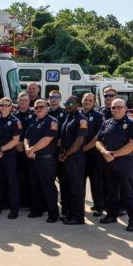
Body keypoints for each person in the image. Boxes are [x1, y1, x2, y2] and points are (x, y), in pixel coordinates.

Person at [96, 98, 133, 232]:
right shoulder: (107, 123)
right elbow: (98, 141)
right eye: (113, 108)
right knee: (111, 191)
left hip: (124, 161)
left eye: (119, 107)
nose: (115, 110)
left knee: (128, 192)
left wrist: (113, 155)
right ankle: (111, 215)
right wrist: (104, 152)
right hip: (108, 160)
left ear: (125, 108)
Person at [24, 99, 60, 223]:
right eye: (36, 107)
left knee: (48, 187)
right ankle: (37, 210)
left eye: (41, 107)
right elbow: (26, 138)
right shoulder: (33, 122)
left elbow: (47, 139)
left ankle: (53, 213)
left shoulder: (52, 121)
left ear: (47, 108)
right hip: (33, 159)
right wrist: (28, 149)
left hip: (46, 161)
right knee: (34, 186)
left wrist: (32, 150)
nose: (39, 109)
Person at [58, 96, 88, 225]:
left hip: (75, 157)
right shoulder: (68, 117)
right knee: (67, 187)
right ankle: (69, 213)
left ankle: (78, 217)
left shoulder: (81, 119)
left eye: (70, 103)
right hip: (67, 156)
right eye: (66, 103)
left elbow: (79, 141)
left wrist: (66, 154)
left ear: (78, 104)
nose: (67, 105)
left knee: (76, 188)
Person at [0, 97, 21, 218]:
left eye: (7, 105)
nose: (4, 107)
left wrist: (0, 150)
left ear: (11, 107)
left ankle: (14, 209)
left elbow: (15, 141)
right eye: (2, 105)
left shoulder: (15, 121)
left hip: (9, 156)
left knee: (11, 182)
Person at [81, 93, 106, 216]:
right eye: (86, 99)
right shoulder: (78, 114)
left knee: (96, 182)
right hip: (79, 154)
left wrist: (85, 148)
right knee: (80, 181)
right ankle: (79, 205)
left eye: (90, 100)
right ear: (82, 100)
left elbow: (98, 136)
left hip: (94, 154)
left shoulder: (98, 116)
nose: (87, 102)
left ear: (94, 102)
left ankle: (99, 207)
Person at [14, 92, 35, 208]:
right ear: (17, 101)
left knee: (30, 177)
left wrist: (24, 144)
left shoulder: (34, 115)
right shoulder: (13, 115)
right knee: (17, 177)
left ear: (29, 101)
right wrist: (17, 143)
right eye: (21, 100)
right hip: (16, 150)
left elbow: (36, 132)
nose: (23, 102)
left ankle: (30, 203)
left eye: (25, 100)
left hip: (29, 149)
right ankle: (20, 202)